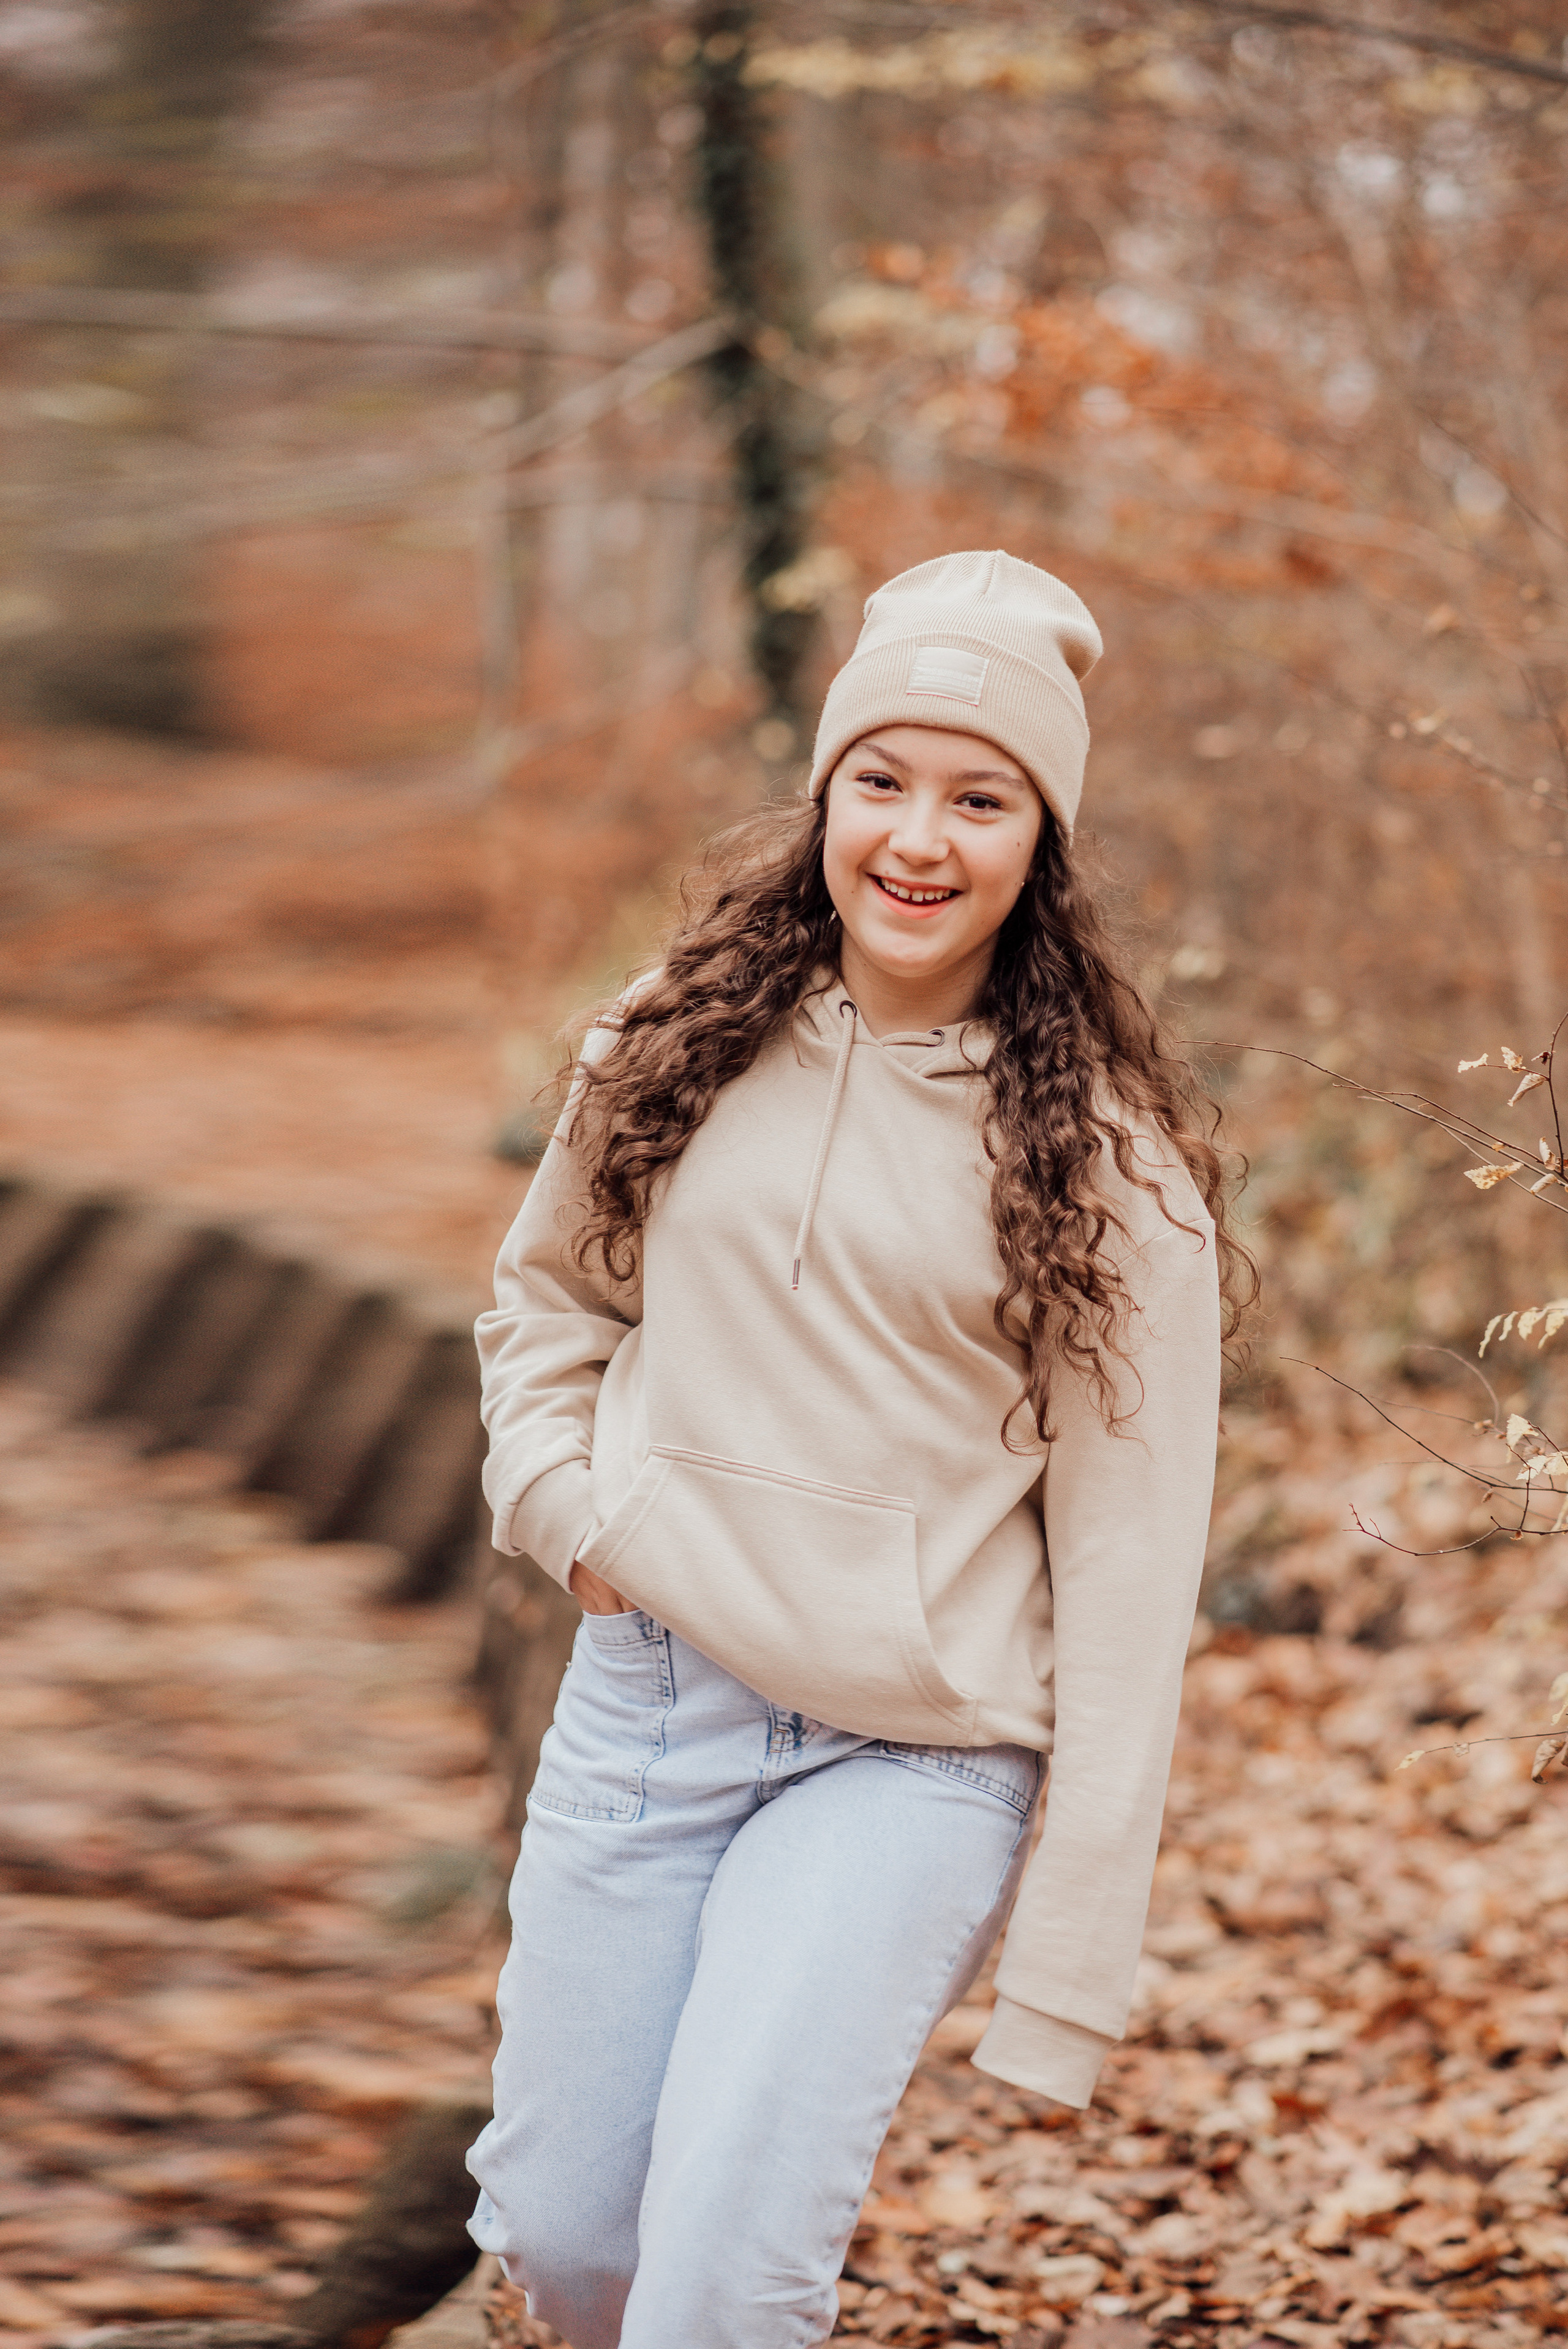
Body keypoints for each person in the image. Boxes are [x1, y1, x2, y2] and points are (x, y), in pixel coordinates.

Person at [465, 551, 1250, 2349]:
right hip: (652, 1688)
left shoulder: (1112, 1171)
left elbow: (1131, 1580)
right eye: (884, 781)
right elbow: (545, 1310)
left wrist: (1067, 1970)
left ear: (1037, 844)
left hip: (909, 1761)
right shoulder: (667, 1040)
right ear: (826, 796)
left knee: (728, 2274)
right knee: (573, 2233)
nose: (921, 837)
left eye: (981, 798)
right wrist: (572, 1510)